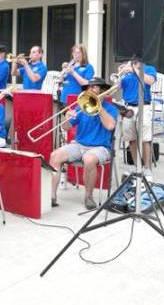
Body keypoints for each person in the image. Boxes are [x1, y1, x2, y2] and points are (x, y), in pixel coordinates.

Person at [49, 77, 118, 210]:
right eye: (89, 87)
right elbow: (66, 128)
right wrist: (67, 116)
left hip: (101, 147)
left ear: (103, 90)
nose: (91, 89)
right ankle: (52, 196)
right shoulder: (82, 106)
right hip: (79, 144)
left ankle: (88, 196)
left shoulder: (110, 109)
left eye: (95, 87)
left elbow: (110, 126)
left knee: (89, 159)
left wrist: (98, 107)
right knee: (54, 156)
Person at [120, 57, 157, 178]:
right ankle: (137, 166)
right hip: (128, 108)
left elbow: (150, 81)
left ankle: (146, 167)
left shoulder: (149, 69)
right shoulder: (127, 71)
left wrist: (134, 69)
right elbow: (117, 87)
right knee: (131, 138)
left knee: (146, 139)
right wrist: (120, 75)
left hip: (143, 106)